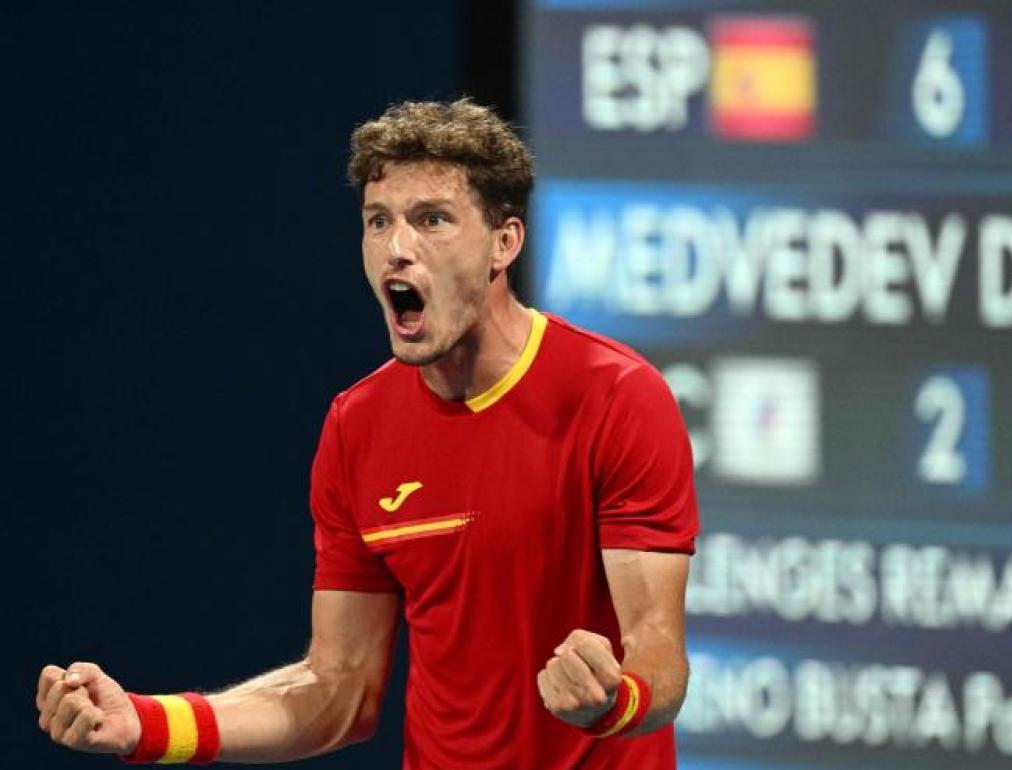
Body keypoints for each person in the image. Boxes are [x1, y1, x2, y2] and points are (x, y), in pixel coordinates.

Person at [35, 98, 699, 769]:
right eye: (378, 222)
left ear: (505, 244)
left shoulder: (617, 396)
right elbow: (341, 688)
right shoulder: (357, 426)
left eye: (431, 220)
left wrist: (617, 701)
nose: (397, 248)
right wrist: (149, 724)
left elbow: (659, 651)